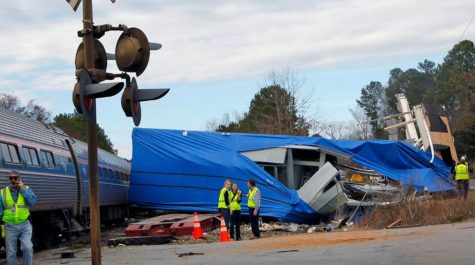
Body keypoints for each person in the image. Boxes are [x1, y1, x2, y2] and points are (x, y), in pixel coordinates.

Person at [0, 170, 37, 265]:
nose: (13, 180)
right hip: (9, 226)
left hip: (25, 224)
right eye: (11, 178)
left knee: (27, 248)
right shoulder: (2, 192)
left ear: (19, 178)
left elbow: (32, 202)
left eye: (15, 178)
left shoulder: (27, 189)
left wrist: (22, 189)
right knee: (11, 252)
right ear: (8, 179)